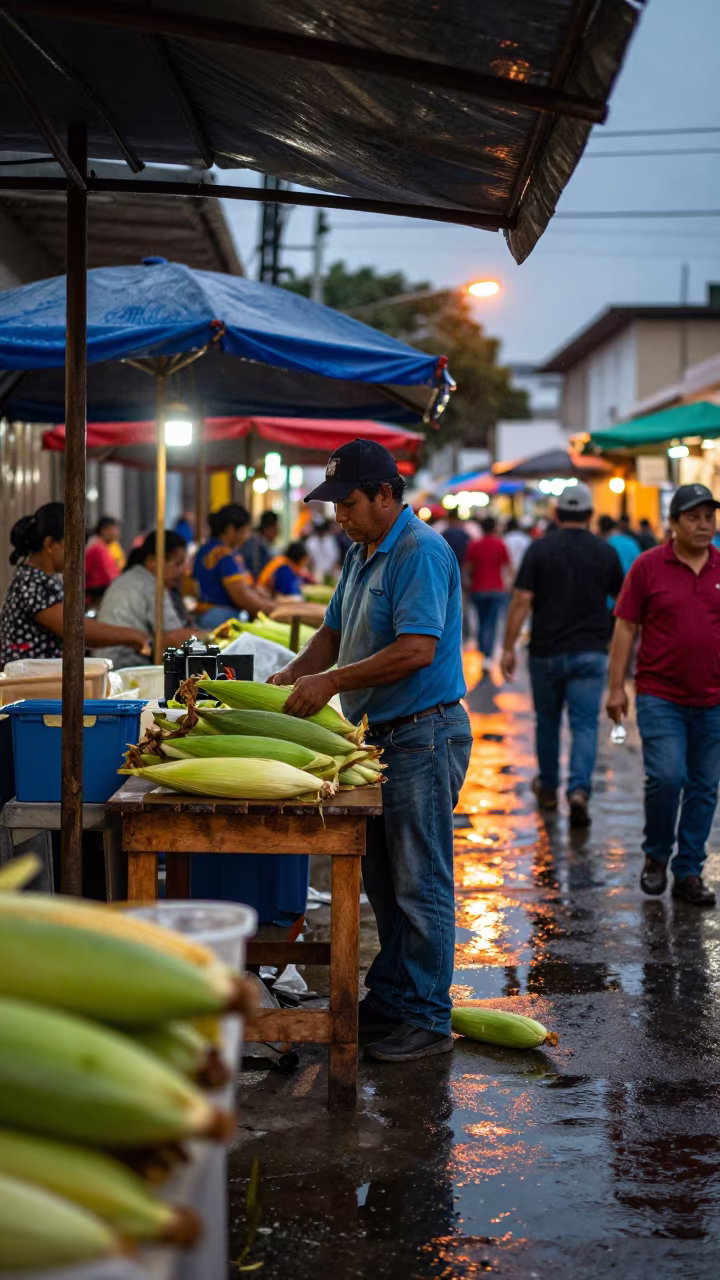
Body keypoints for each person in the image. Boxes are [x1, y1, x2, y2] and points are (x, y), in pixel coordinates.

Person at [268, 439, 470, 1063]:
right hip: (378, 740)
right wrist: (285, 680)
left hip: (422, 734)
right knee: (384, 880)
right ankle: (394, 997)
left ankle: (429, 1017)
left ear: (387, 495)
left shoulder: (419, 552)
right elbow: (331, 634)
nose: (340, 517)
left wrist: (330, 684)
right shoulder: (361, 554)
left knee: (420, 880)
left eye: (349, 503)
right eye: (334, 505)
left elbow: (416, 650)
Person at [607, 483, 720, 907]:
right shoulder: (648, 566)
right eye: (694, 517)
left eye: (709, 517)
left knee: (705, 786)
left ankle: (688, 871)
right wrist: (616, 687)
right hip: (660, 695)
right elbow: (625, 627)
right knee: (667, 777)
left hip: (713, 698)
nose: (704, 525)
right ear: (672, 524)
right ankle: (657, 855)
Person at [501, 482, 624, 828]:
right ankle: (579, 791)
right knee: (585, 725)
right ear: (589, 514)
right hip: (591, 652)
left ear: (556, 514)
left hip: (546, 652)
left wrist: (508, 647)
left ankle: (549, 790)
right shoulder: (605, 552)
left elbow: (522, 599)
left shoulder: (540, 549)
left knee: (549, 723)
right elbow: (624, 603)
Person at [0, 503, 147, 668]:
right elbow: (74, 629)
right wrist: (129, 635)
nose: (79, 554)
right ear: (50, 545)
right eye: (73, 544)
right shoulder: (31, 582)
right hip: (29, 685)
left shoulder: (38, 578)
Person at [93, 530, 205, 670]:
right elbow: (174, 638)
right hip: (125, 665)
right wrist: (216, 636)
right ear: (153, 561)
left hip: (108, 663)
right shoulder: (152, 586)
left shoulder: (133, 577)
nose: (182, 571)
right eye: (177, 564)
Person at [193, 504, 268, 628]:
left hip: (204, 614)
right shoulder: (224, 555)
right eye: (245, 531)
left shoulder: (205, 549)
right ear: (231, 529)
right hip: (219, 617)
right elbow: (242, 598)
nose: (247, 537)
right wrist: (271, 609)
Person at [463, 517, 511, 668]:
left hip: (478, 589)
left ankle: (483, 650)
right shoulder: (500, 544)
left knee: (481, 621)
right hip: (496, 589)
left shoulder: (474, 545)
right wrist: (509, 585)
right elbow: (508, 567)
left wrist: (467, 583)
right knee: (492, 622)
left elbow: (468, 568)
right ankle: (487, 655)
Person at [85, 516, 123, 605]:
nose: (117, 532)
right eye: (114, 529)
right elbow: (110, 575)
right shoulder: (97, 548)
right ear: (104, 530)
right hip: (95, 597)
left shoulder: (103, 547)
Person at [242, 511, 279, 580]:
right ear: (267, 528)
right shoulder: (255, 544)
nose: (276, 534)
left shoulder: (261, 542)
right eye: (275, 530)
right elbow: (256, 571)